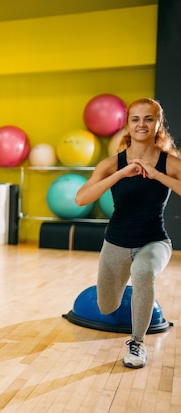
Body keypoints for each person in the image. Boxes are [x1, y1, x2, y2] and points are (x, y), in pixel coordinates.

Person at [75, 98, 181, 368]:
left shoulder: (170, 163)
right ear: (128, 124)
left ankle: (137, 344)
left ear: (158, 124)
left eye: (148, 118)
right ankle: (137, 298)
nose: (142, 124)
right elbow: (81, 198)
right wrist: (121, 174)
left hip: (154, 241)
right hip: (116, 243)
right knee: (106, 306)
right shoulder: (112, 163)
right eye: (136, 119)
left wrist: (157, 175)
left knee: (143, 272)